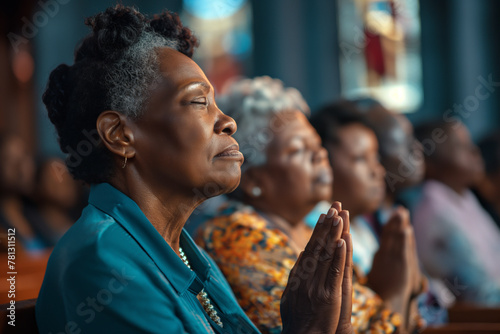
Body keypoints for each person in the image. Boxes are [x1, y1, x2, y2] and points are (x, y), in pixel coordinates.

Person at [36, 6, 353, 334]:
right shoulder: (101, 265)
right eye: (199, 103)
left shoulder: (184, 250)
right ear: (120, 136)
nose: (228, 122)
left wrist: (333, 323)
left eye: (216, 103)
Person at [196, 77, 421, 334]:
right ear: (253, 179)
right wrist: (396, 293)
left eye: (317, 145)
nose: (320, 155)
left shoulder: (311, 228)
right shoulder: (236, 237)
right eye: (298, 150)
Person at [310, 101, 425, 330]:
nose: (378, 171)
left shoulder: (362, 225)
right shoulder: (321, 231)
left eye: (376, 158)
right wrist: (398, 289)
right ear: (324, 164)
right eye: (361, 159)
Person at [413, 120, 500, 305]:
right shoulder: (437, 211)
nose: (474, 152)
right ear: (430, 163)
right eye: (461, 147)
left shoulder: (464, 197)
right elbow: (478, 293)